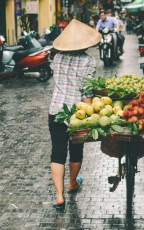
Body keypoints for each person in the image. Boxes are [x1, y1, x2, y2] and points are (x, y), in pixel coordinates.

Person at [49, 19, 101, 210]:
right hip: (76, 113)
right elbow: (86, 90)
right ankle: (72, 183)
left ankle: (59, 196)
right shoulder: (88, 60)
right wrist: (90, 114)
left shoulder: (57, 57)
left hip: (55, 110)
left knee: (58, 152)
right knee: (76, 150)